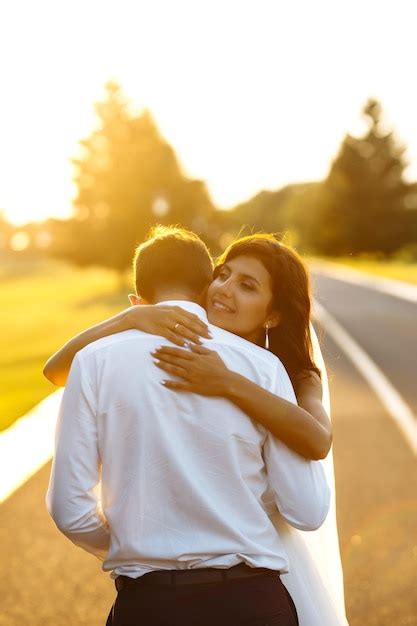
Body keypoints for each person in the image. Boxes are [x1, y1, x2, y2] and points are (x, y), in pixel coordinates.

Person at [46, 226, 332, 626]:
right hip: (250, 602)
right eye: (223, 275)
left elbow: (69, 512)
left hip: (148, 605)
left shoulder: (94, 361)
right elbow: (307, 508)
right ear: (204, 283)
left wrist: (140, 544)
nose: (226, 289)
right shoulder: (265, 369)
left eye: (247, 285)